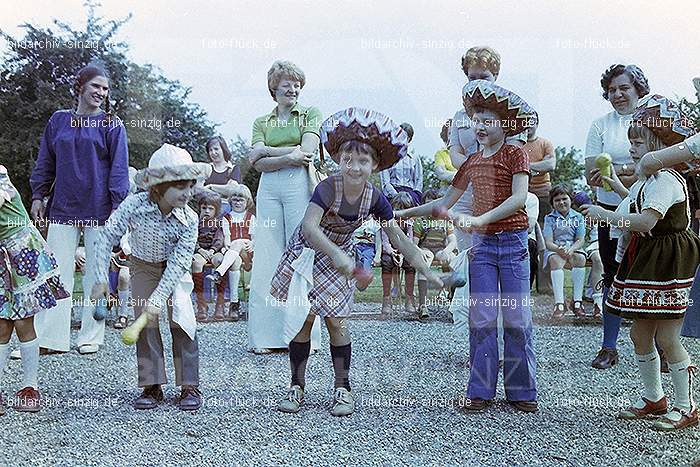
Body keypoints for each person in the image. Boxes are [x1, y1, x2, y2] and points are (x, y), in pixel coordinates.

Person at [271, 108, 444, 417]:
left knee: (337, 322)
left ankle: (343, 389)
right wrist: (335, 254)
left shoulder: (377, 198)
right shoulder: (327, 188)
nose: (354, 167)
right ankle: (296, 386)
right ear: (339, 160)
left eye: (363, 161)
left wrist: (426, 270)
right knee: (304, 320)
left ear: (375, 165)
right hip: (308, 255)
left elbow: (400, 240)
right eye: (347, 160)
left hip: (340, 256)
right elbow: (309, 227)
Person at [397, 80, 538, 413]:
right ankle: (480, 390)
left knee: (517, 318)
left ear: (505, 124)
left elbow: (519, 199)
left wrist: (480, 219)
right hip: (483, 247)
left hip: (514, 243)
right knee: (482, 317)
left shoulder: (516, 153)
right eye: (476, 119)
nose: (480, 125)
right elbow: (444, 203)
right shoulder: (471, 162)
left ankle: (521, 391)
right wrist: (400, 210)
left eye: (488, 119)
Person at [582, 95, 698, 431]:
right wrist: (612, 184)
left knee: (668, 337)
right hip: (651, 258)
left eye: (639, 141)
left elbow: (646, 221)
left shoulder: (665, 180)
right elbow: (632, 201)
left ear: (659, 144)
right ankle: (654, 397)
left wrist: (604, 214)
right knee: (640, 334)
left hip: (668, 260)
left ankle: (686, 406)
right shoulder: (649, 180)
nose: (632, 148)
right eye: (630, 140)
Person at [91, 143, 209, 411]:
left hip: (173, 271)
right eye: (180, 187)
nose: (188, 193)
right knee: (145, 324)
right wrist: (100, 279)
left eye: (190, 186)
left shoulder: (189, 219)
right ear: (157, 186)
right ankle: (152, 385)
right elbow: (106, 236)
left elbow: (179, 263)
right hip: (142, 265)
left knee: (182, 321)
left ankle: (189, 384)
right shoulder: (134, 206)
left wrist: (159, 298)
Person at [29, 64, 130, 355]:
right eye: (96, 86)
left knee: (96, 275)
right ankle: (51, 338)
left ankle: (90, 337)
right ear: (80, 87)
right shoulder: (59, 121)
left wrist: (117, 207)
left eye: (105, 88)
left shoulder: (112, 124)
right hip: (62, 206)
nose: (101, 92)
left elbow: (119, 170)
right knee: (56, 273)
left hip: (100, 208)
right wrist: (38, 194)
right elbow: (45, 162)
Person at [247, 60, 322, 354]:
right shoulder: (261, 122)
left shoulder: (310, 114)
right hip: (268, 186)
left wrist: (268, 151)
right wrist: (285, 156)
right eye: (286, 84)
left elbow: (307, 152)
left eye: (297, 84)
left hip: (298, 183)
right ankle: (265, 337)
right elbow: (256, 162)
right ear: (274, 88)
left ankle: (303, 335)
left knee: (300, 251)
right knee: (267, 252)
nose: (292, 89)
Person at [586, 64, 650, 370]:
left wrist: (618, 169)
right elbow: (592, 174)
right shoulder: (600, 125)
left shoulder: (651, 119)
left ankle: (658, 347)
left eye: (624, 88)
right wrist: (633, 168)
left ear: (638, 89)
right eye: (612, 90)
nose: (618, 94)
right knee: (612, 275)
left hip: (648, 208)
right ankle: (608, 347)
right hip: (608, 211)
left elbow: (659, 162)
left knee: (650, 276)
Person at [0, 166, 69, 414]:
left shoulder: (0, 174)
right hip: (1, 257)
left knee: (22, 322)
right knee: (2, 323)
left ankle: (30, 388)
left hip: (22, 252)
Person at [207, 183, 256, 320]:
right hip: (234, 254)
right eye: (234, 199)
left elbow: (254, 239)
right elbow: (227, 238)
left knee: (239, 242)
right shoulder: (227, 218)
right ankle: (234, 304)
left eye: (241, 200)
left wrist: (251, 244)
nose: (237, 202)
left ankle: (219, 272)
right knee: (235, 258)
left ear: (247, 202)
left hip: (248, 253)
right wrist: (227, 246)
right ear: (230, 201)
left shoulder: (251, 217)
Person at [413, 189, 459, 320]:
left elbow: (453, 241)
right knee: (424, 263)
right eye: (428, 204)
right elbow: (414, 243)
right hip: (426, 249)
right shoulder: (421, 221)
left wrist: (447, 250)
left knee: (454, 261)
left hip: (441, 249)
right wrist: (420, 251)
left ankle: (453, 302)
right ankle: (423, 305)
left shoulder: (445, 220)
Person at [543, 184, 587, 319]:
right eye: (557, 200)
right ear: (552, 203)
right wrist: (559, 249)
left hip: (573, 247)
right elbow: (548, 242)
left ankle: (577, 301)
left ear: (570, 200)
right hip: (555, 248)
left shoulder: (578, 217)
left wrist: (572, 249)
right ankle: (559, 303)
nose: (561, 202)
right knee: (555, 260)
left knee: (580, 259)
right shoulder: (549, 218)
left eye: (564, 199)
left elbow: (580, 239)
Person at [192, 192, 226, 322]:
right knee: (196, 263)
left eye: (211, 208)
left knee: (220, 261)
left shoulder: (218, 222)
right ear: (199, 208)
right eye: (204, 208)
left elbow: (219, 238)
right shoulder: (195, 221)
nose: (207, 211)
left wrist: (212, 250)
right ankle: (201, 305)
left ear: (216, 210)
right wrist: (200, 250)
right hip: (200, 251)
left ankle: (220, 304)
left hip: (214, 251)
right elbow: (192, 239)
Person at [380, 192, 416, 315]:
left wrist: (402, 254)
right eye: (398, 208)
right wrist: (392, 252)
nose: (400, 211)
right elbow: (385, 241)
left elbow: (409, 241)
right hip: (390, 251)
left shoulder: (409, 223)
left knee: (410, 263)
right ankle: (386, 299)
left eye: (404, 208)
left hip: (404, 252)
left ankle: (409, 299)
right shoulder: (387, 221)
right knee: (386, 262)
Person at [571, 192, 604, 317]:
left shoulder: (595, 214)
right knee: (579, 258)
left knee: (598, 258)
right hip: (576, 244)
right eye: (581, 207)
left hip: (593, 243)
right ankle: (577, 300)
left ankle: (597, 302)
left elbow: (596, 238)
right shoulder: (572, 217)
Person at [379, 122, 423, 205]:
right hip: (391, 195)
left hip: (411, 196)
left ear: (409, 139)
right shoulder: (387, 157)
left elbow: (418, 182)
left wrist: (410, 198)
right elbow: (385, 183)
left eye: (405, 136)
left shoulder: (415, 158)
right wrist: (397, 197)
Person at [523, 113, 556, 223]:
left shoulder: (545, 143)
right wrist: (540, 165)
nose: (528, 124)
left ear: (537, 124)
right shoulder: (515, 144)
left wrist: (525, 165)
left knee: (543, 225)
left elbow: (550, 165)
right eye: (525, 120)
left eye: (531, 121)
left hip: (543, 192)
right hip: (521, 192)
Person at [201, 136, 242, 215]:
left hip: (225, 212)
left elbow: (232, 190)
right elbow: (199, 190)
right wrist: (222, 189)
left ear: (223, 149)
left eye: (216, 149)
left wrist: (210, 187)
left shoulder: (233, 169)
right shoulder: (206, 169)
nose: (213, 153)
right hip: (206, 211)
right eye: (210, 150)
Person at [352, 218, 381, 291]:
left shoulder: (375, 224)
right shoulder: (354, 221)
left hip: (369, 247)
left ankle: (362, 283)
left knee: (366, 271)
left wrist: (378, 255)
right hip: (355, 246)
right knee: (354, 258)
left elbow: (378, 243)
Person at [433, 120, 456, 195]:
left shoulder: (466, 153)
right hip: (446, 191)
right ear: (446, 136)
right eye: (450, 133)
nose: (452, 136)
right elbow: (441, 173)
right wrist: (460, 176)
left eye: (454, 133)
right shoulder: (440, 154)